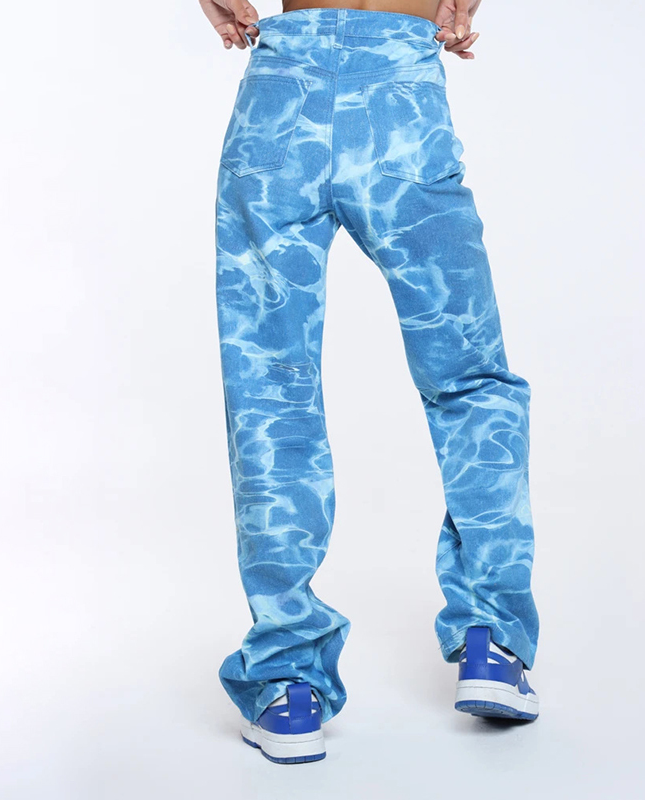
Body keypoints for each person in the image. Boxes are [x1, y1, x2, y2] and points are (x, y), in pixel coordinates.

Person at [198, 0, 540, 764]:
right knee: (469, 376)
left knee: (270, 387)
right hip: (399, 99)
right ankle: (493, 642)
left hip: (280, 99)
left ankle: (285, 679)